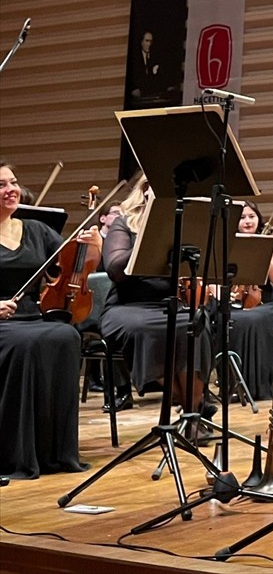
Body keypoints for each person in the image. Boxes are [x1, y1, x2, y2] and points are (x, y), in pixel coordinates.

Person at [0, 162, 92, 479]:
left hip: (31, 316)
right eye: (1, 185)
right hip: (3, 325)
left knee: (66, 335)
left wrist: (92, 243)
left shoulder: (36, 229)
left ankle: (55, 453)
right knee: (26, 343)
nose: (10, 189)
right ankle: (16, 454)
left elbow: (75, 259)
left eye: (12, 182)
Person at [100, 175, 213, 416]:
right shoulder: (125, 222)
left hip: (172, 304)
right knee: (150, 329)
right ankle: (194, 412)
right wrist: (151, 233)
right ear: (145, 190)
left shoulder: (185, 225)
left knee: (196, 325)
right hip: (128, 306)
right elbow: (114, 269)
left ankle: (191, 414)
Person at [213, 200, 273, 401]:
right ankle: (230, 386)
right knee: (222, 318)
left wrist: (265, 253)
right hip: (238, 301)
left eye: (251, 217)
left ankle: (255, 386)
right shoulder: (227, 245)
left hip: (267, 303)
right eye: (242, 217)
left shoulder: (271, 244)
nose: (247, 221)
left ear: (258, 219)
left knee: (250, 320)